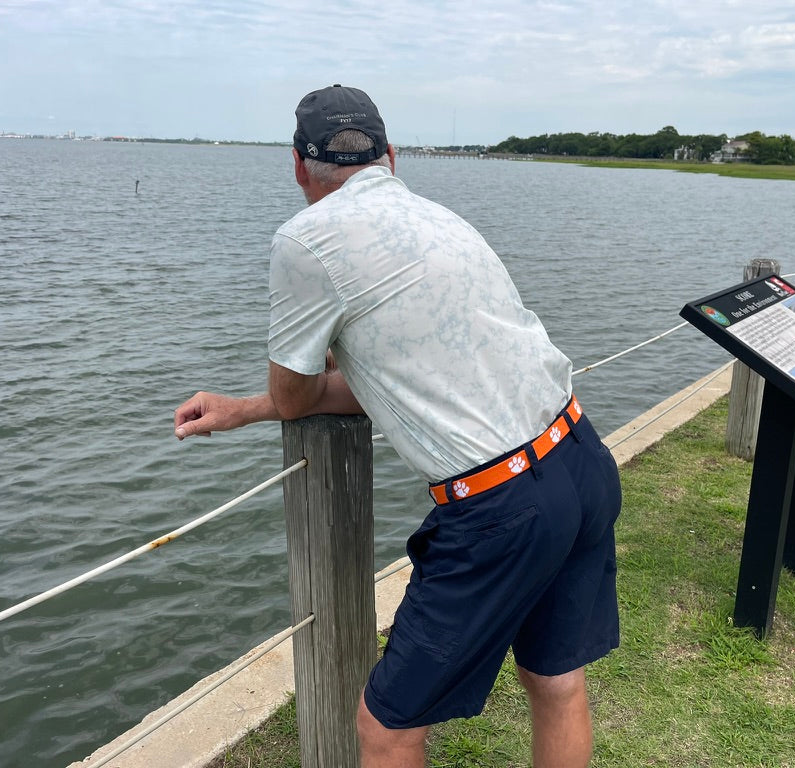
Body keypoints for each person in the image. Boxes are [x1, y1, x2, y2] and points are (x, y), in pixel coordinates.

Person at [173, 84, 622, 768]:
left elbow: (295, 395)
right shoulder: (442, 221)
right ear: (391, 156)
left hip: (504, 505)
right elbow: (398, 381)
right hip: (581, 455)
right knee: (555, 680)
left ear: (298, 165)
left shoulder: (305, 240)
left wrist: (270, 396)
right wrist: (243, 408)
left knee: (386, 728)